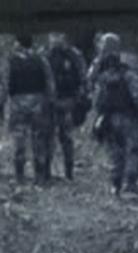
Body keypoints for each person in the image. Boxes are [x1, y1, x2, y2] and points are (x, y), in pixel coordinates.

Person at [91, 36, 138, 196]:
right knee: (134, 149)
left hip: (108, 118)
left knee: (115, 152)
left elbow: (93, 92)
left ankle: (115, 185)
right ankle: (131, 183)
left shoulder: (100, 72)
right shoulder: (128, 71)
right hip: (129, 117)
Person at [1, 34, 56, 184]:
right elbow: (50, 83)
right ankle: (40, 177)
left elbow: (5, 86)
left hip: (17, 104)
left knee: (19, 140)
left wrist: (2, 104)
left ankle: (20, 177)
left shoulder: (11, 62)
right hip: (38, 103)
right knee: (38, 140)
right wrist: (50, 103)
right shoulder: (41, 60)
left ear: (18, 43)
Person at [46, 33, 88, 180]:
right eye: (53, 36)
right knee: (48, 137)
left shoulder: (74, 55)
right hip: (50, 102)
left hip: (68, 101)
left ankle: (69, 171)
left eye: (57, 35)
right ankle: (46, 171)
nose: (54, 39)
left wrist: (80, 98)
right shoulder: (47, 55)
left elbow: (83, 78)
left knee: (67, 137)